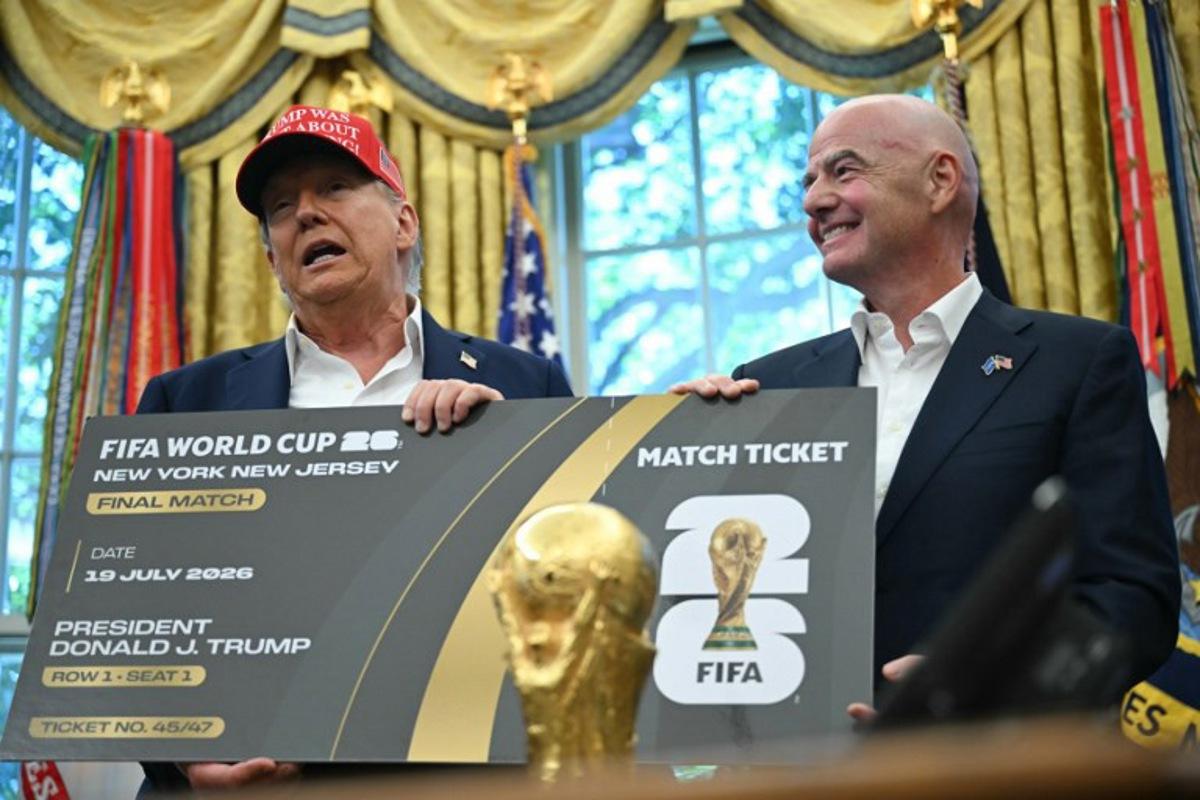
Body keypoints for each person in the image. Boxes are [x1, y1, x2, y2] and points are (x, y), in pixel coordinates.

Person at [671, 94, 1180, 719]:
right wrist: (680, 452)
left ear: (940, 181)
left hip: (996, 769)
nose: (812, 201)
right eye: (807, 181)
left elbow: (1135, 597)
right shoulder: (768, 388)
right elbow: (715, 586)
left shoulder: (1077, 362)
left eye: (843, 171)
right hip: (805, 767)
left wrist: (993, 679)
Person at [137, 105, 572, 793]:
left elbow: (576, 589)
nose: (305, 214)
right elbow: (140, 608)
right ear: (273, 260)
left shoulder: (523, 386)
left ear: (403, 222)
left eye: (334, 189)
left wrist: (501, 455)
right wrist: (185, 757)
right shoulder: (185, 400)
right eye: (282, 207)